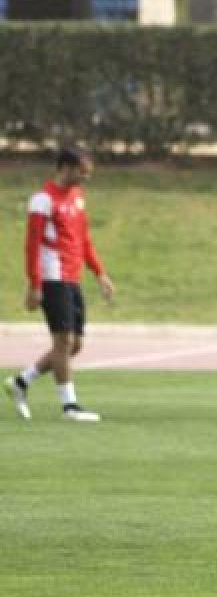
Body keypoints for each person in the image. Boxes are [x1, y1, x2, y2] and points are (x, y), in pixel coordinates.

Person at [5, 147, 116, 422]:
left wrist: (100, 273)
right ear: (66, 167)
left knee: (74, 345)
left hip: (72, 277)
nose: (86, 178)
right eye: (83, 172)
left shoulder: (78, 198)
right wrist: (35, 284)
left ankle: (21, 382)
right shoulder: (42, 200)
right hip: (52, 277)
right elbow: (31, 245)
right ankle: (70, 407)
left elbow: (83, 239)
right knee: (63, 341)